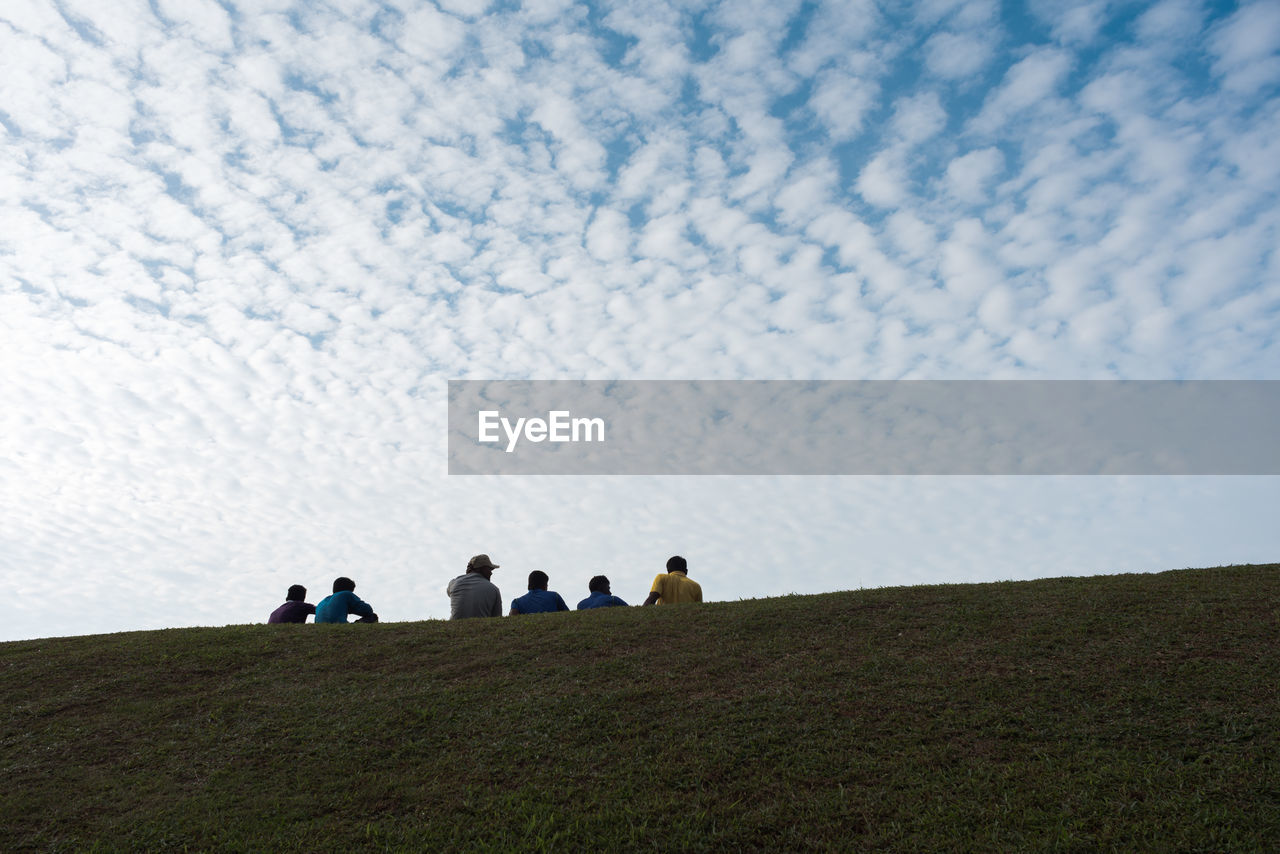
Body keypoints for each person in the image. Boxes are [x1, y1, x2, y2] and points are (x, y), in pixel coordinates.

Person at [447, 554, 503, 619]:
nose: (491, 573)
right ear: (481, 569)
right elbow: (497, 619)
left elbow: (452, 594)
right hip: (482, 628)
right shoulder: (494, 589)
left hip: (453, 627)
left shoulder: (453, 583)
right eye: (489, 569)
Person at [314, 577, 379, 623]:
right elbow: (368, 610)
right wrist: (350, 607)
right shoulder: (346, 594)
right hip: (339, 626)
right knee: (373, 616)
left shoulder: (321, 602)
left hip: (322, 628)